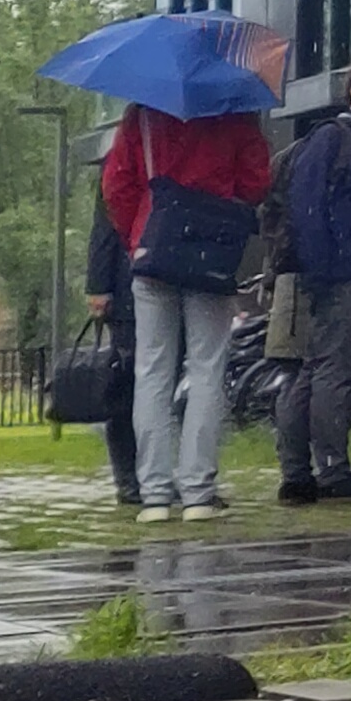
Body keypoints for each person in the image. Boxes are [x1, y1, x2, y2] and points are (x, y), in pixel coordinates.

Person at [105, 94, 273, 523]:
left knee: (152, 372)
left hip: (152, 248)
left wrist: (138, 235)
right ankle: (198, 493)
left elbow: (117, 184)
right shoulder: (236, 109)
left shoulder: (142, 112)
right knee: (207, 370)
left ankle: (155, 495)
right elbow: (256, 183)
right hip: (210, 254)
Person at [277, 58, 351, 503]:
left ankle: (297, 476)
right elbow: (306, 205)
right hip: (336, 273)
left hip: (346, 270)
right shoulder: (335, 138)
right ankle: (331, 471)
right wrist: (322, 267)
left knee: (313, 370)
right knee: (334, 370)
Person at [83, 194, 138, 507]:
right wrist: (99, 286)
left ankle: (134, 477)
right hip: (126, 293)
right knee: (126, 387)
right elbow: (105, 227)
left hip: (127, 288)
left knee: (134, 386)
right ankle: (129, 477)